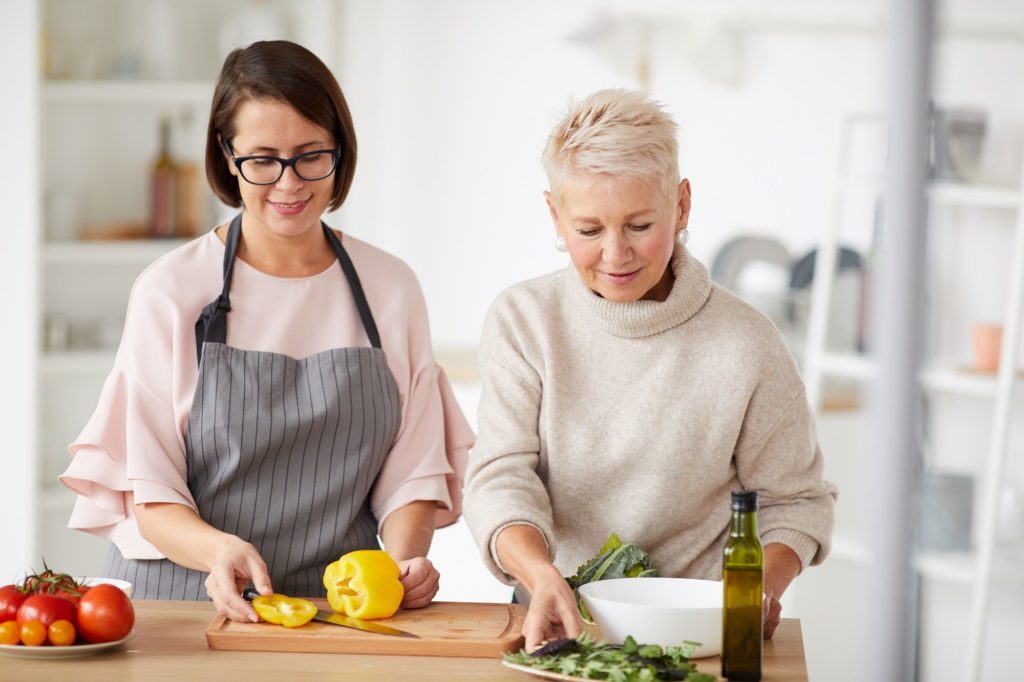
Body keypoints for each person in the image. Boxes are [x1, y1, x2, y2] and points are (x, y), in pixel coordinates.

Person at [59, 40, 473, 623]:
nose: (289, 183)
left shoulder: (391, 288)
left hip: (335, 612)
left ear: (339, 151)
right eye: (262, 159)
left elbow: (412, 474)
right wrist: (218, 551)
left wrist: (401, 564)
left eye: (310, 155)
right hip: (179, 605)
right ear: (227, 157)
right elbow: (150, 495)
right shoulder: (171, 291)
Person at [463, 88, 837, 650]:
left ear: (682, 205)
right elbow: (500, 478)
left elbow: (796, 502)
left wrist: (755, 589)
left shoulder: (746, 342)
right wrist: (540, 576)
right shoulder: (524, 321)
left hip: (698, 636)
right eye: (589, 231)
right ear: (555, 215)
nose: (616, 255)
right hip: (556, 618)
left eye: (639, 226)